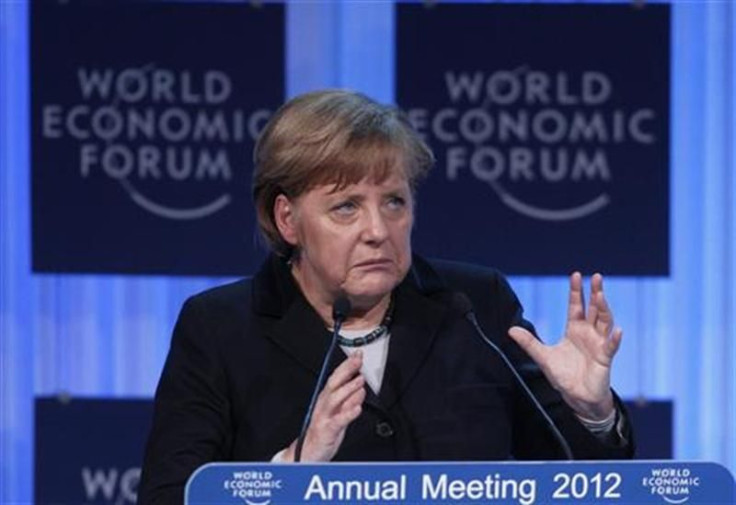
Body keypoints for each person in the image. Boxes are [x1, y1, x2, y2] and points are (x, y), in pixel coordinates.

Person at [138, 89, 633, 504]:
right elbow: (169, 496)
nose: (378, 230)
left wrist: (592, 414)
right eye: (346, 207)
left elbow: (581, 486)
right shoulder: (220, 328)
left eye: (394, 201)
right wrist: (293, 469)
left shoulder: (474, 306)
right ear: (287, 219)